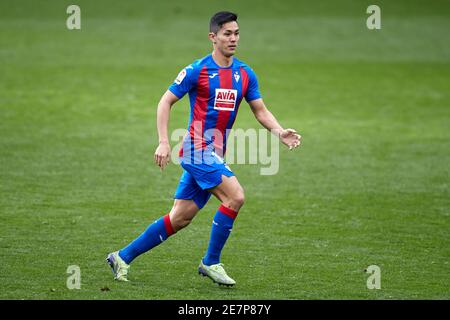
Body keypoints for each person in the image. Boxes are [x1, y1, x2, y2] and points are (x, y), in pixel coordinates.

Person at [107, 11, 301, 286]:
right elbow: (165, 102)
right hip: (196, 150)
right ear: (213, 37)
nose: (233, 39)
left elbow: (260, 110)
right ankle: (211, 262)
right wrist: (164, 141)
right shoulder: (197, 70)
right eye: (227, 34)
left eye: (236, 33)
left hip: (213, 154)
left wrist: (280, 131)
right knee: (235, 197)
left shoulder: (244, 74)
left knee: (180, 218)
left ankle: (121, 257)